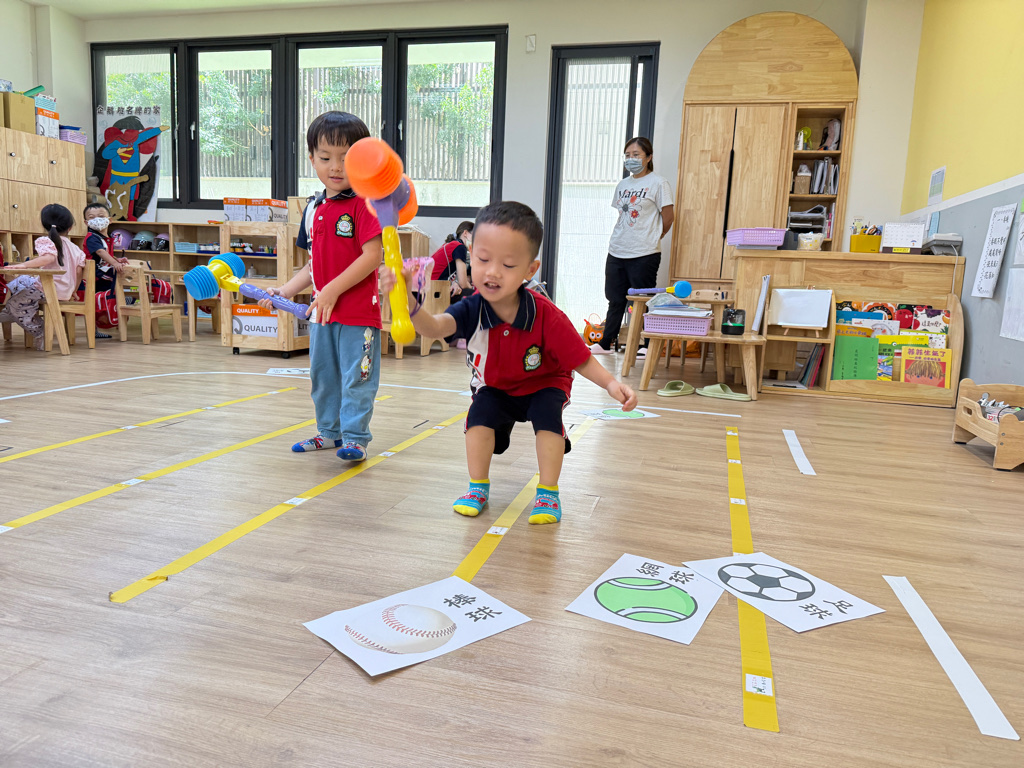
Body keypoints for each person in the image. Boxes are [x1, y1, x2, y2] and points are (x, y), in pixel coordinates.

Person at [382, 201, 637, 525]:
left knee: (548, 421)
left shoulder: (546, 315)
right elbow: (434, 328)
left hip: (543, 383)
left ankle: (548, 492)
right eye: (483, 259)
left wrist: (612, 384)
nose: (492, 271)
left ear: (530, 270)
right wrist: (407, 300)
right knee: (478, 419)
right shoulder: (472, 308)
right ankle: (477, 487)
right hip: (496, 385)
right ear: (470, 254)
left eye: (508, 264)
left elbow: (581, 359)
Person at [259, 111, 384, 461]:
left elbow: (372, 255)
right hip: (322, 314)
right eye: (326, 157)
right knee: (323, 376)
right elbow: (313, 264)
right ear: (312, 158)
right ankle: (329, 432)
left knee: (358, 377)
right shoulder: (313, 208)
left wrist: (332, 290)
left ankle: (355, 438)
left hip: (358, 314)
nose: (336, 167)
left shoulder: (366, 204)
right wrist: (285, 291)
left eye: (347, 158)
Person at [590, 136, 674, 356]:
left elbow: (668, 216)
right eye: (627, 155)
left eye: (636, 155)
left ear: (649, 157)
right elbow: (623, 216)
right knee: (615, 299)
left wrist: (655, 236)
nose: (631, 159)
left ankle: (648, 345)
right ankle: (606, 343)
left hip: (645, 252)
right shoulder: (623, 185)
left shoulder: (658, 183)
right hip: (617, 249)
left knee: (643, 300)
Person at [0, 204, 86, 350]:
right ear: (70, 227)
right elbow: (79, 272)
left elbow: (48, 258)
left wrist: (24, 265)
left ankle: (39, 330)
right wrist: (73, 291)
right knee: (21, 281)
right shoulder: (76, 248)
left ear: (44, 224)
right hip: (65, 291)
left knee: (13, 303)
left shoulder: (45, 241)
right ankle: (18, 310)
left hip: (47, 290)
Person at [429, 221, 474, 298]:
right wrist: (473, 289)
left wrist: (454, 283)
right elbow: (463, 283)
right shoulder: (460, 247)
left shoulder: (449, 245)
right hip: (434, 290)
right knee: (474, 295)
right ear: (465, 233)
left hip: (429, 287)